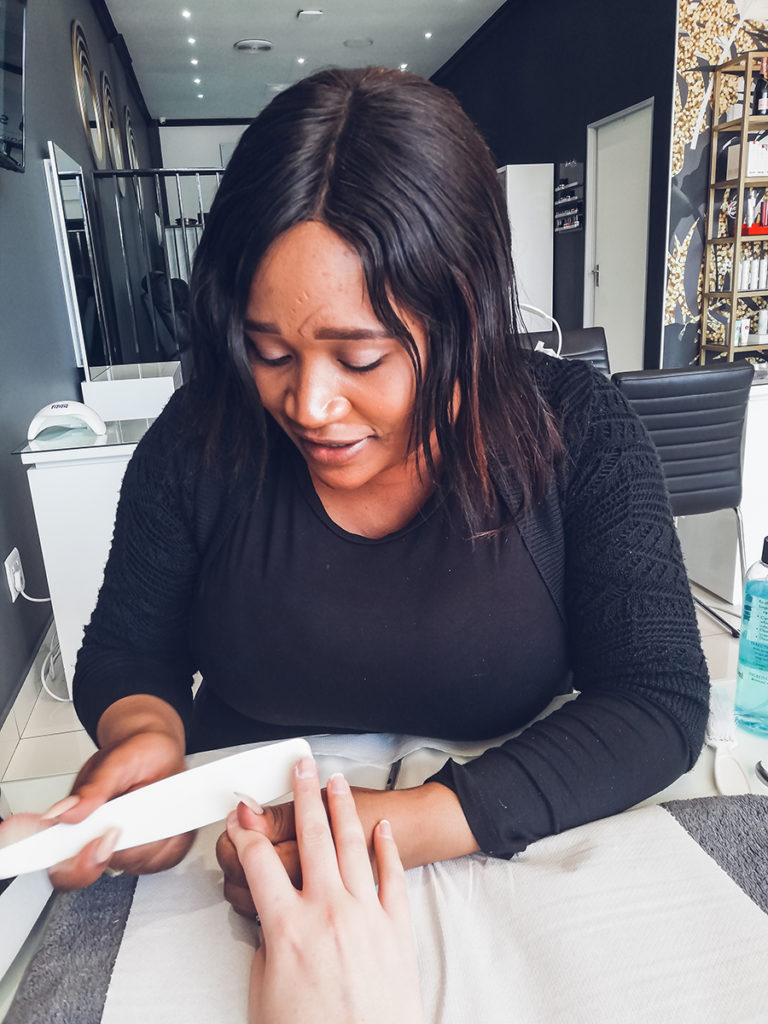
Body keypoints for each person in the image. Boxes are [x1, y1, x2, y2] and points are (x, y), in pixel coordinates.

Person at [44, 66, 708, 901]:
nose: (309, 405)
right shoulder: (199, 439)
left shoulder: (576, 430)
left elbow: (657, 696)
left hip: (497, 847)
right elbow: (128, 649)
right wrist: (144, 735)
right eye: (269, 352)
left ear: (466, 313)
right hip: (238, 852)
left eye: (360, 358)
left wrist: (397, 827)